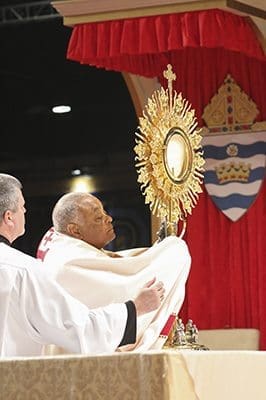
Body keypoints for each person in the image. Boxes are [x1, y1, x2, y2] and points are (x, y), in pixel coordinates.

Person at [0, 173, 165, 358]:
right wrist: (134, 308)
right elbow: (77, 329)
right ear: (8, 217)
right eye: (22, 207)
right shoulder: (21, 270)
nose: (25, 212)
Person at [37, 192, 192, 353]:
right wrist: (171, 252)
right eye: (98, 218)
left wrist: (155, 252)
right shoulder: (68, 265)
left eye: (104, 212)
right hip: (77, 365)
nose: (109, 219)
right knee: (175, 251)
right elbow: (121, 288)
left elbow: (113, 262)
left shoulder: (62, 244)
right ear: (75, 230)